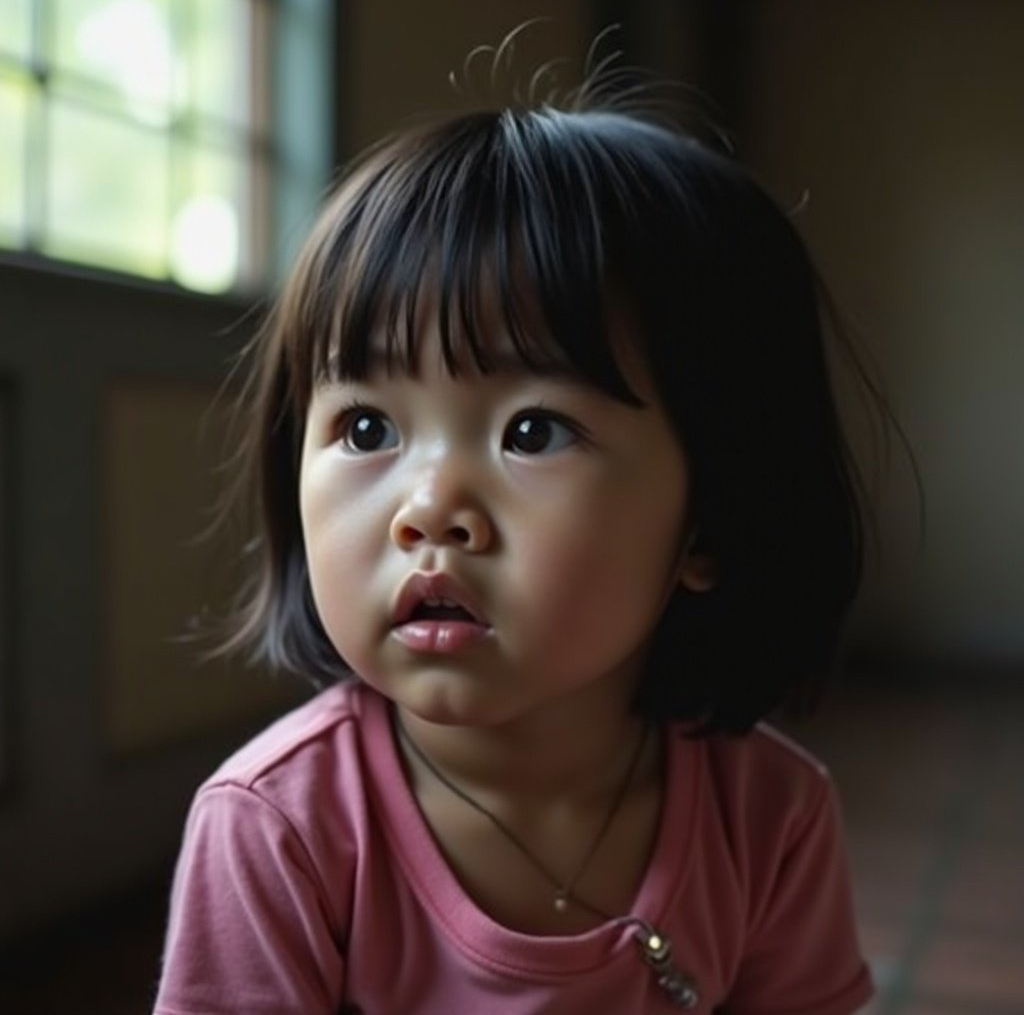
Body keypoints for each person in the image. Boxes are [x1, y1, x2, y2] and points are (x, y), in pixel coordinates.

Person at [154, 82, 881, 1014]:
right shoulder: (280, 829)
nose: (428, 510)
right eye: (369, 427)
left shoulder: (771, 816)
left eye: (533, 432)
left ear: (713, 517)